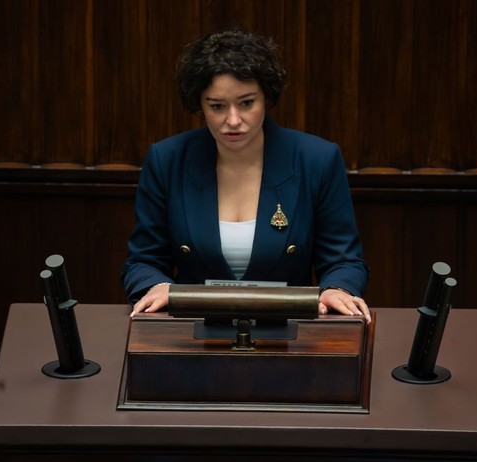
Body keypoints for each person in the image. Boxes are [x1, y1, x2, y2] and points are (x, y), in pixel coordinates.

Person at [121, 27, 371, 322]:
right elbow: (144, 260)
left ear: (267, 97)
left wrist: (336, 288)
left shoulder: (316, 160)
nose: (233, 120)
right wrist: (158, 286)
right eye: (217, 106)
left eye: (247, 103)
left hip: (290, 331)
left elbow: (343, 260)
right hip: (193, 330)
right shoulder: (168, 160)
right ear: (199, 104)